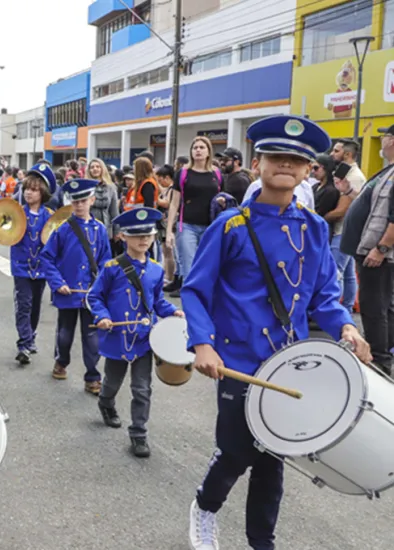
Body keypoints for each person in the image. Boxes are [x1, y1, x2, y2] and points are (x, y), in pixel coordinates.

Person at [182, 116, 371, 550]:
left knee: (272, 460)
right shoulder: (230, 224)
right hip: (236, 361)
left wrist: (344, 324)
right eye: (276, 156)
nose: (285, 164)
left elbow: (325, 293)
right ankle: (205, 508)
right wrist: (204, 344)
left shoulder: (316, 228)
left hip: (288, 364)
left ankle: (260, 541)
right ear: (259, 163)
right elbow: (195, 289)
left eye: (296, 160)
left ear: (309, 171)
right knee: (234, 452)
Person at [88, 207, 182, 458]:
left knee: (142, 388)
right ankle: (106, 402)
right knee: (111, 382)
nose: (143, 240)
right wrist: (103, 316)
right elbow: (95, 297)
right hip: (118, 339)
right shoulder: (111, 268)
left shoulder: (155, 269)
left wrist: (172, 312)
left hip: (143, 340)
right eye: (137, 235)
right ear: (123, 237)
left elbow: (157, 301)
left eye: (148, 235)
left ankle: (138, 433)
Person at [40, 178, 111, 393]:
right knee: (65, 333)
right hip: (67, 292)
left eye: (83, 201)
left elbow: (105, 261)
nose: (79, 205)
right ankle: (61, 361)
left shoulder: (99, 229)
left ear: (92, 200)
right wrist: (57, 283)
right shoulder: (62, 230)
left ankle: (92, 376)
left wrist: (101, 287)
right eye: (75, 202)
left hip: (91, 294)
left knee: (92, 336)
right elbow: (47, 258)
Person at [342, 125, 394, 374]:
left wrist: (381, 248)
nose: (382, 141)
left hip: (379, 254)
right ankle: (383, 350)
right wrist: (349, 192)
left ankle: (379, 359)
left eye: (385, 137)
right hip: (372, 250)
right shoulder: (389, 171)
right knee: (383, 305)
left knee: (374, 306)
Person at [165, 137, 222, 296]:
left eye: (202, 147)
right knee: (188, 269)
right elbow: (174, 204)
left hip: (210, 227)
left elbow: (222, 198)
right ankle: (190, 306)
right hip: (187, 226)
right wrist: (169, 231)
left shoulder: (216, 174)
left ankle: (204, 303)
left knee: (207, 267)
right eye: (195, 147)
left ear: (208, 151)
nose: (198, 150)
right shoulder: (183, 173)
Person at [11, 163, 55, 365]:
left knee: (36, 305)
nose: (28, 192)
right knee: (24, 304)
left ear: (43, 192)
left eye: (34, 189)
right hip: (21, 266)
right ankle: (23, 344)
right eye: (26, 188)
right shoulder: (17, 212)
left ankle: (31, 335)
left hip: (41, 269)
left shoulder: (49, 216)